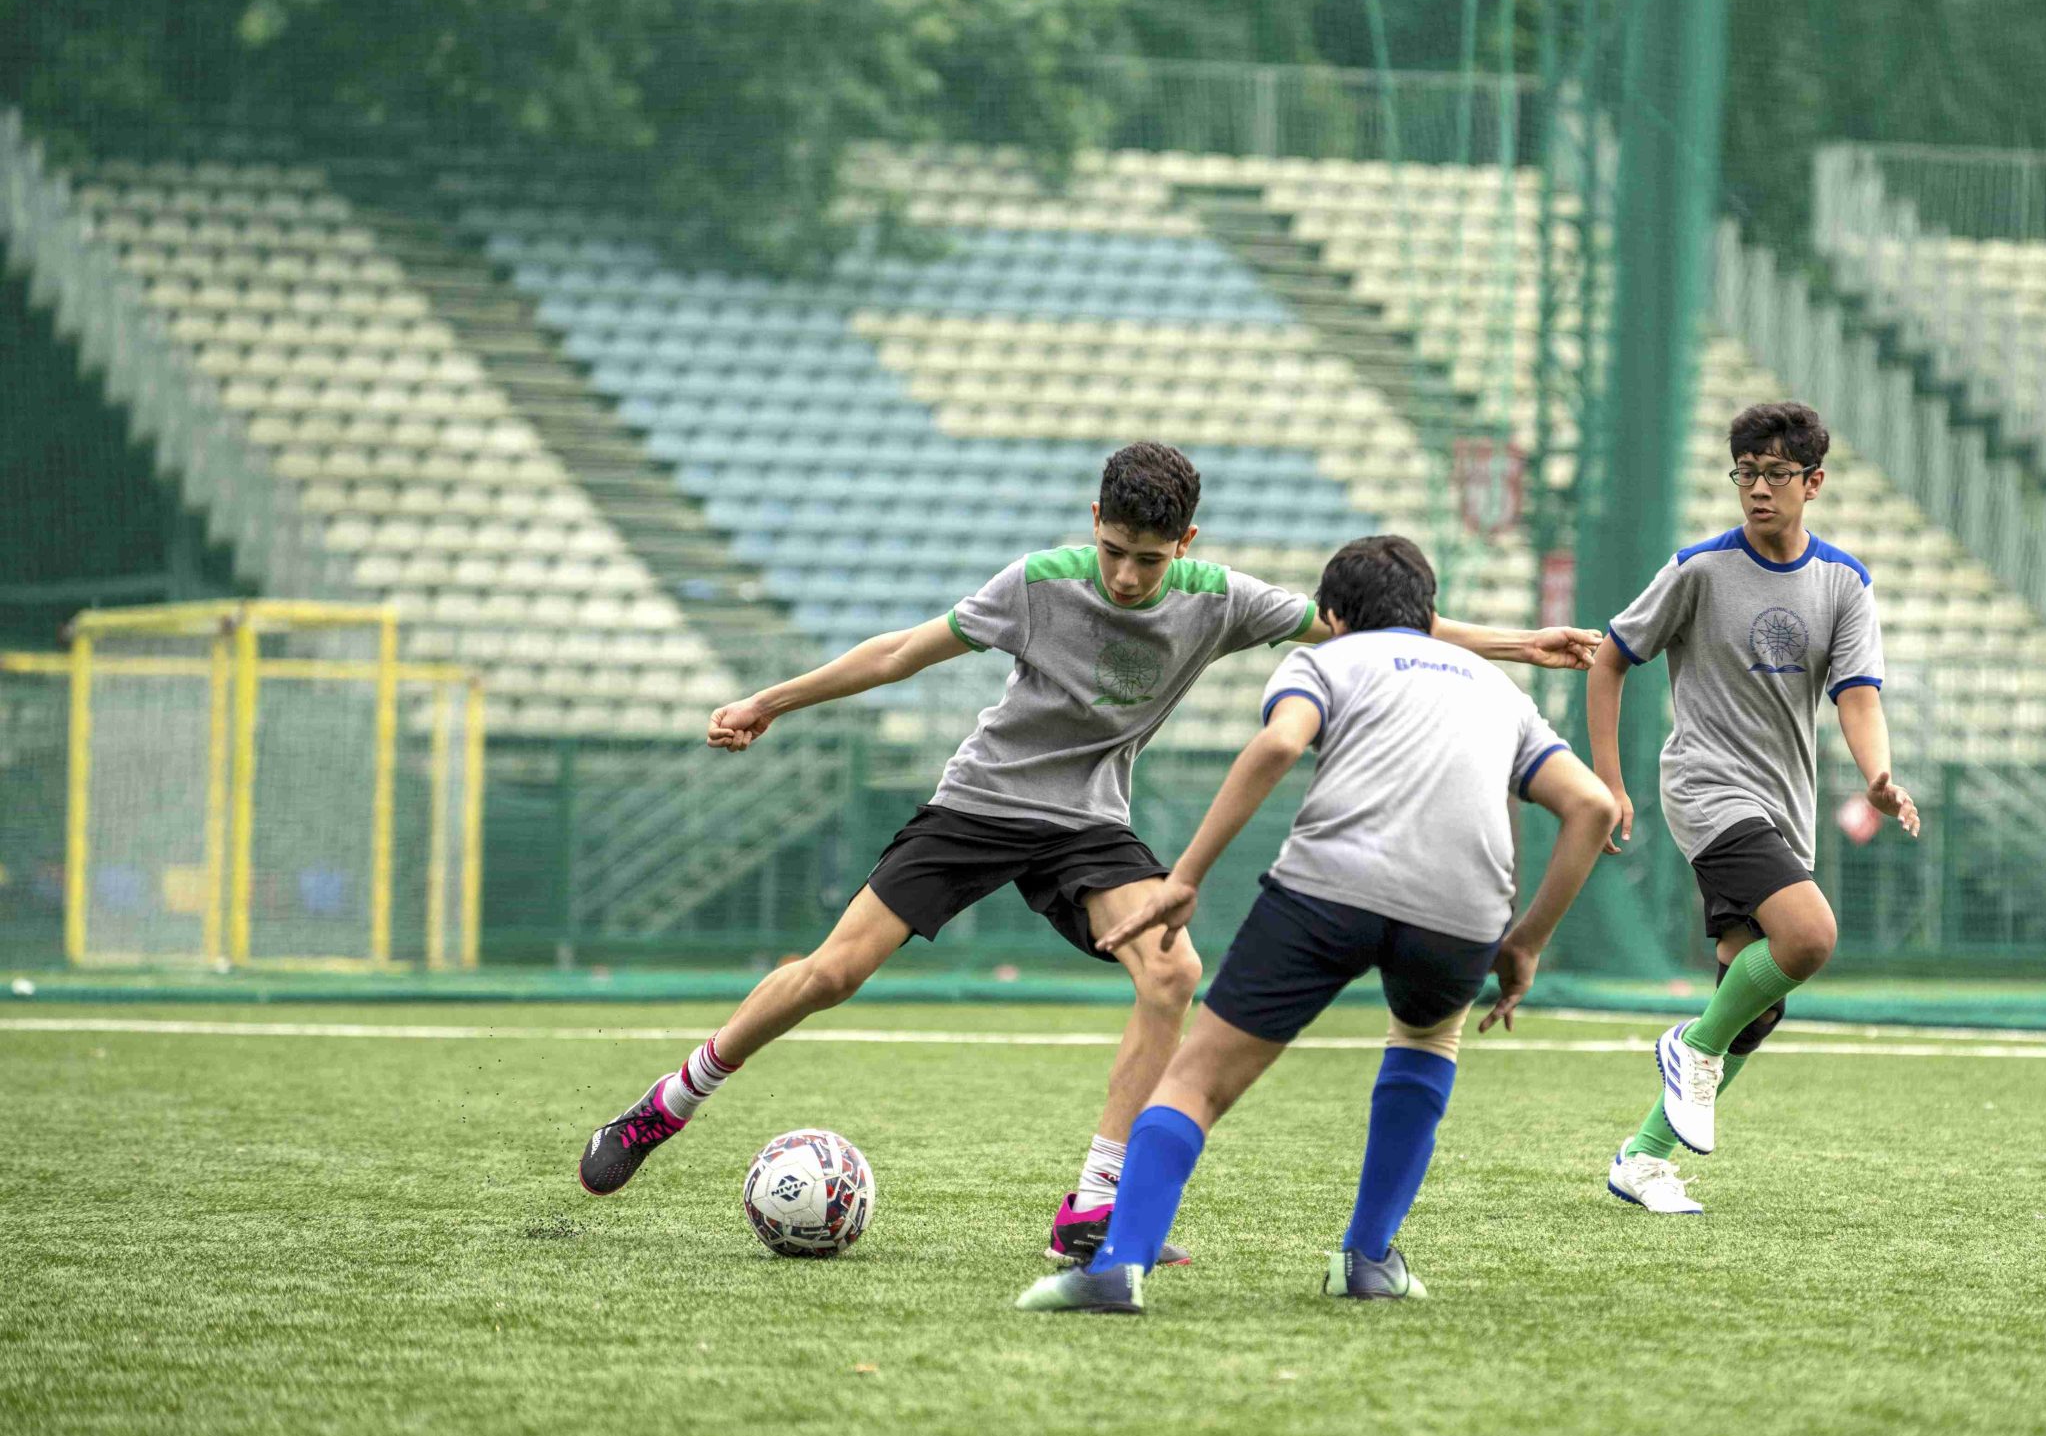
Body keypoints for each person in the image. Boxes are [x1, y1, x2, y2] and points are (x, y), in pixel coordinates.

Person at [575, 443, 1603, 1264]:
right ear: (1094, 526)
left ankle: (1095, 1202)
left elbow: (1379, 626)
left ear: (1184, 543)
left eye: (1146, 559)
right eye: (1113, 548)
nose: (1123, 575)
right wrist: (770, 701)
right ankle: (669, 1104)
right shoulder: (1037, 583)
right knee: (831, 973)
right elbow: (898, 651)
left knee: (1173, 968)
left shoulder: (1222, 597)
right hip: (979, 804)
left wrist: (1522, 643)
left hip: (1086, 828)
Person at [1015, 534, 1619, 1313]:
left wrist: (1186, 875)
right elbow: (1593, 806)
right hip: (1464, 909)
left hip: (1330, 887)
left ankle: (1117, 1268)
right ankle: (1367, 1260)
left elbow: (1279, 741)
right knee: (1427, 1041)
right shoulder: (1497, 687)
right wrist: (1527, 939)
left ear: (1333, 617)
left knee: (1196, 1079)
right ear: (1430, 614)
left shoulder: (1322, 661)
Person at [1589, 402, 1921, 1216]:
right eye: (1746, 471)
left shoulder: (1844, 582)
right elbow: (1608, 659)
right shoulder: (1698, 569)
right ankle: (1689, 1048)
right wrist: (1608, 783)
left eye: (1776, 473)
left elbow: (1859, 696)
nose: (1758, 487)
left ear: (1814, 482)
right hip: (1707, 787)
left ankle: (1642, 1157)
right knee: (1809, 935)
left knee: (1757, 1001)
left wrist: (1878, 774)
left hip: (1784, 805)